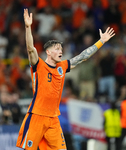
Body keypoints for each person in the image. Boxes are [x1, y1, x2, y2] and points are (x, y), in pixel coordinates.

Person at [16, 8, 115, 150]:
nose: (60, 51)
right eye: (57, 49)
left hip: (53, 118)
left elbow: (82, 57)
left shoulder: (63, 66)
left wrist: (101, 41)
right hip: (37, 115)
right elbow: (31, 49)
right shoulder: (39, 65)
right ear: (48, 52)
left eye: (61, 49)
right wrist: (27, 27)